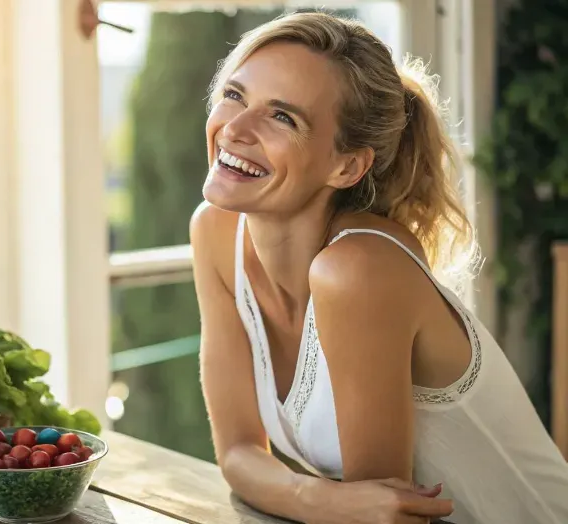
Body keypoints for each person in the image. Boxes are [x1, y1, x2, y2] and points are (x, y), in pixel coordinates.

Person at [190, 11, 568, 524]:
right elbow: (237, 454)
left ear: (346, 166)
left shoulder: (356, 270)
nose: (234, 129)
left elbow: (383, 517)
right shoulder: (216, 233)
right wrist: (314, 498)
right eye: (235, 95)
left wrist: (313, 497)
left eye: (282, 117)